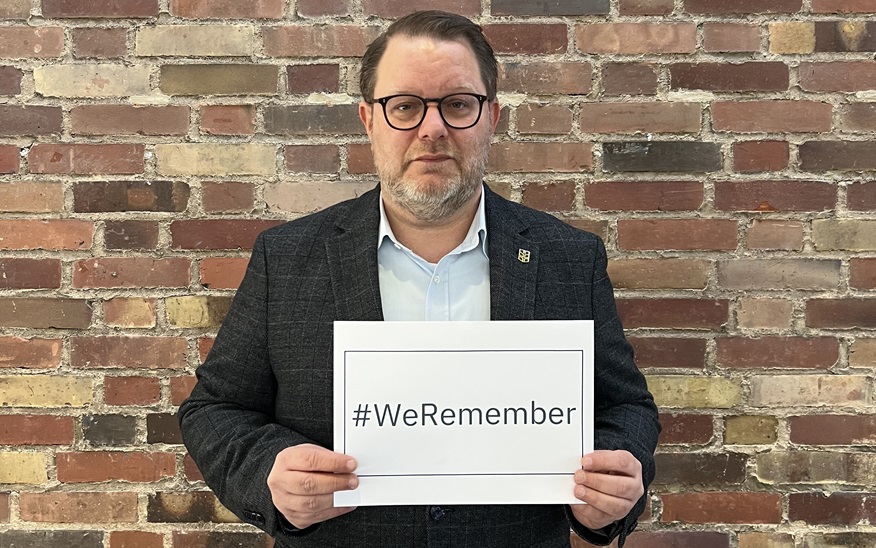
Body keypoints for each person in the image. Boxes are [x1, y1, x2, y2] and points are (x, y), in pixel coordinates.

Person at [180, 10, 659, 548]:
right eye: (405, 106)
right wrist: (269, 474)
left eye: (458, 104)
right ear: (369, 120)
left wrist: (614, 486)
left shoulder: (568, 257)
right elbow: (215, 408)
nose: (432, 129)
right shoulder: (287, 258)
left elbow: (625, 408)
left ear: (491, 117)